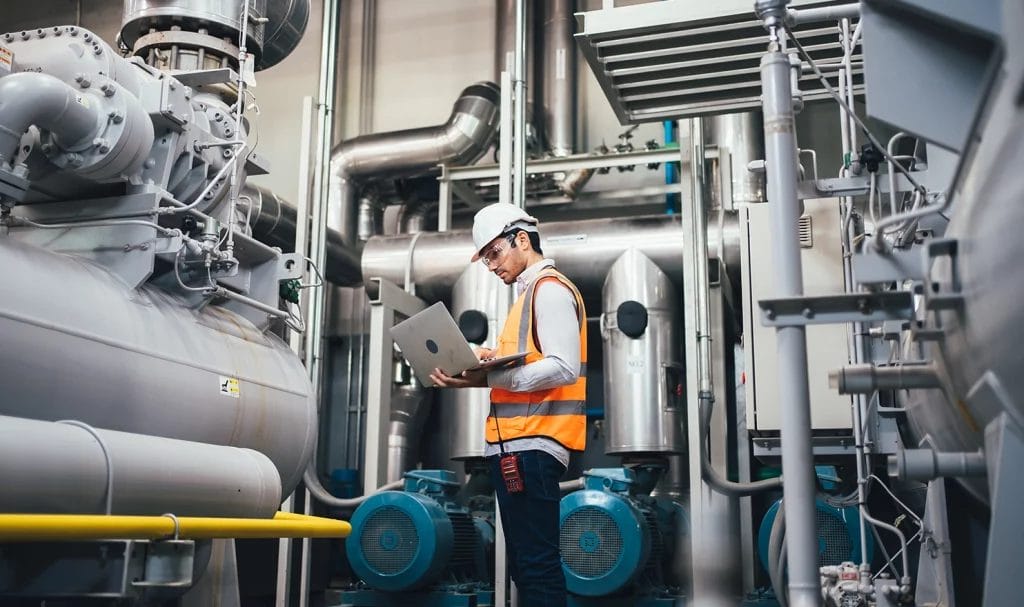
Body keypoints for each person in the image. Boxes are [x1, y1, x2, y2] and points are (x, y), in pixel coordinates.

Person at [430, 203, 587, 607]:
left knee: (536, 566)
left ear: (521, 239)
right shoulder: (527, 297)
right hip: (517, 447)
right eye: (484, 260)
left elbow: (564, 367)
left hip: (533, 446)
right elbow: (518, 373)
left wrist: (490, 375)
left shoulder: (549, 289)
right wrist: (472, 372)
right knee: (526, 565)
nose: (491, 266)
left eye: (494, 254)